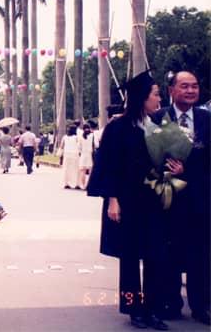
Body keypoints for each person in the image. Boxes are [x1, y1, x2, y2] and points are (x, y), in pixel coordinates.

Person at [87, 70, 174, 330]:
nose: (159, 98)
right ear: (141, 97)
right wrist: (113, 200)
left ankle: (152, 309)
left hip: (153, 201)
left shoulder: (157, 125)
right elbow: (108, 165)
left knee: (154, 256)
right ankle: (134, 307)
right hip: (127, 201)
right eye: (155, 94)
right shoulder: (118, 127)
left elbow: (164, 161)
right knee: (130, 257)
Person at [153, 71, 210, 325]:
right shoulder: (157, 119)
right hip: (167, 199)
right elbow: (146, 159)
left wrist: (189, 172)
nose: (190, 91)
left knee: (201, 254)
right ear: (171, 91)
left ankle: (202, 305)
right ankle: (170, 302)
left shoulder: (207, 119)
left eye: (195, 86)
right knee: (170, 252)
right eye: (184, 86)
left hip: (200, 199)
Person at [77, 123, 94, 189]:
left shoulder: (81, 137)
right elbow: (96, 144)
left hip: (83, 155)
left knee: (82, 171)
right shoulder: (92, 135)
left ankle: (83, 185)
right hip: (90, 154)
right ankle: (88, 185)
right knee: (90, 171)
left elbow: (79, 147)